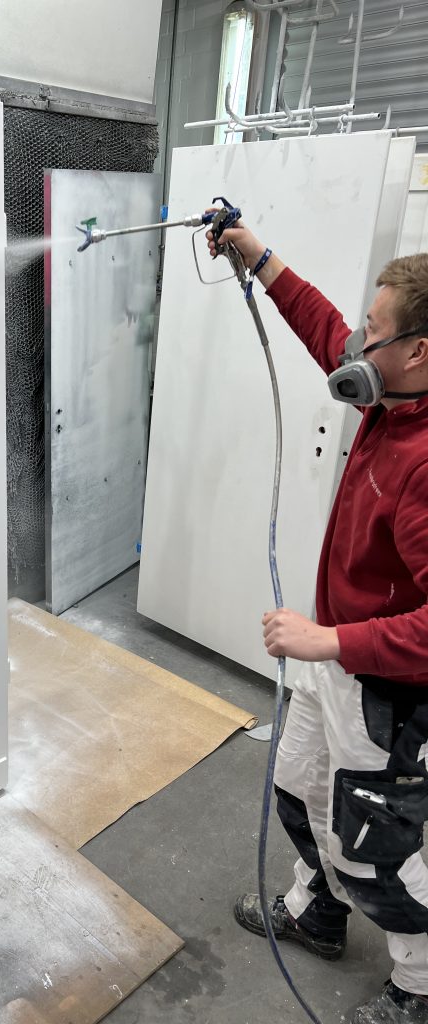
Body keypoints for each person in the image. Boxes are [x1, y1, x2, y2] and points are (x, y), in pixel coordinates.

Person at [207, 221, 428, 1024]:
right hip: (336, 663)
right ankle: (316, 914)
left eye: (375, 331)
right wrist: (257, 256)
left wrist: (329, 639)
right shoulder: (392, 397)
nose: (356, 345)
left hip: (385, 690)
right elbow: (325, 328)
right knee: (298, 790)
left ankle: (417, 986)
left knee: (375, 854)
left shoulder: (424, 460)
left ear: (419, 351)